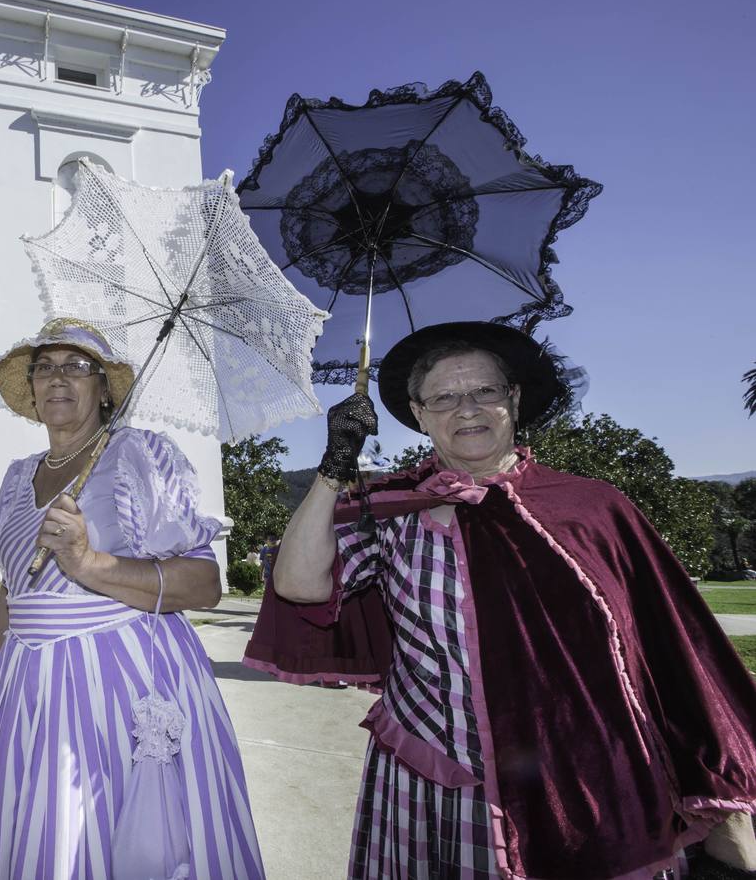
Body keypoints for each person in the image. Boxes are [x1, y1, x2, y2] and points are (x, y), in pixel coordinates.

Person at [246, 321, 756, 879]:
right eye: (443, 397)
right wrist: (333, 466)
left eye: (484, 391)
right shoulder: (392, 511)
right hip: (441, 781)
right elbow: (299, 584)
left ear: (513, 399)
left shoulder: (594, 507)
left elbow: (673, 651)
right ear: (418, 414)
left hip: (588, 779)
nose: (465, 409)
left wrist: (724, 805)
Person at [0, 318, 265, 879]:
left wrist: (90, 562)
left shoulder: (140, 456)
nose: (58, 378)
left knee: (105, 835)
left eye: (77, 367)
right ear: (32, 389)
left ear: (105, 388)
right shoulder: (16, 477)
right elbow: (12, 596)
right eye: (45, 367)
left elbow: (204, 584)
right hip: (24, 687)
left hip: (120, 679)